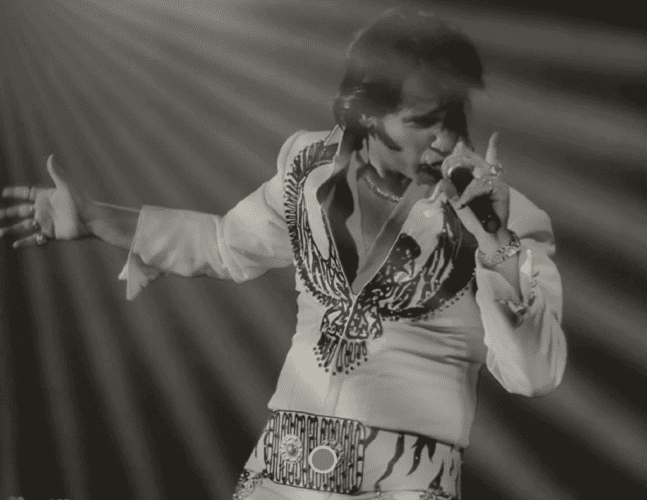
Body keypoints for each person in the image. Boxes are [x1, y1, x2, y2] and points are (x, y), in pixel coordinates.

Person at [0, 8, 567, 500]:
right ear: (368, 112)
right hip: (290, 458)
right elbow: (225, 245)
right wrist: (96, 219)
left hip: (408, 474)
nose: (444, 141)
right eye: (422, 122)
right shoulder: (310, 165)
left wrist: (494, 240)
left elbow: (535, 375)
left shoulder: (508, 217)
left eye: (452, 117)